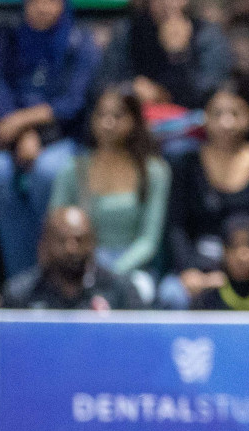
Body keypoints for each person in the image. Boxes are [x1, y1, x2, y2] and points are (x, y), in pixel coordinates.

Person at [0, 0, 103, 279]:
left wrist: (24, 121)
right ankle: (19, 276)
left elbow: (74, 101)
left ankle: (49, 271)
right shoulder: (9, 40)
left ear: (63, 3)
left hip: (63, 137)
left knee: (48, 172)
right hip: (12, 138)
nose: (43, 7)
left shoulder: (80, 43)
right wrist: (22, 132)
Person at [49, 85, 171, 303]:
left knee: (135, 293)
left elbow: (149, 240)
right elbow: (55, 226)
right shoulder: (73, 170)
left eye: (117, 115)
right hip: (80, 265)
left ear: (134, 120)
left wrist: (112, 273)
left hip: (131, 269)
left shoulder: (154, 172)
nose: (108, 123)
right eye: (101, 114)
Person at [163, 84, 249, 308]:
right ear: (204, 118)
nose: (226, 123)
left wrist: (238, 272)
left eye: (235, 113)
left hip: (248, 267)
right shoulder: (185, 164)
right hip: (195, 266)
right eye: (218, 114)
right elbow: (176, 226)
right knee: (171, 295)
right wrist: (188, 270)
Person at [101, 0, 234, 115]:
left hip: (192, 124)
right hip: (138, 124)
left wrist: (179, 55)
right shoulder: (129, 31)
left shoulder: (208, 35)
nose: (168, 4)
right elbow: (104, 83)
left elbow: (211, 94)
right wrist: (130, 89)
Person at [2, 206, 142, 310]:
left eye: (80, 240)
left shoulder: (121, 290)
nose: (71, 248)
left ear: (93, 242)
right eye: (62, 240)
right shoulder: (20, 294)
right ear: (45, 244)